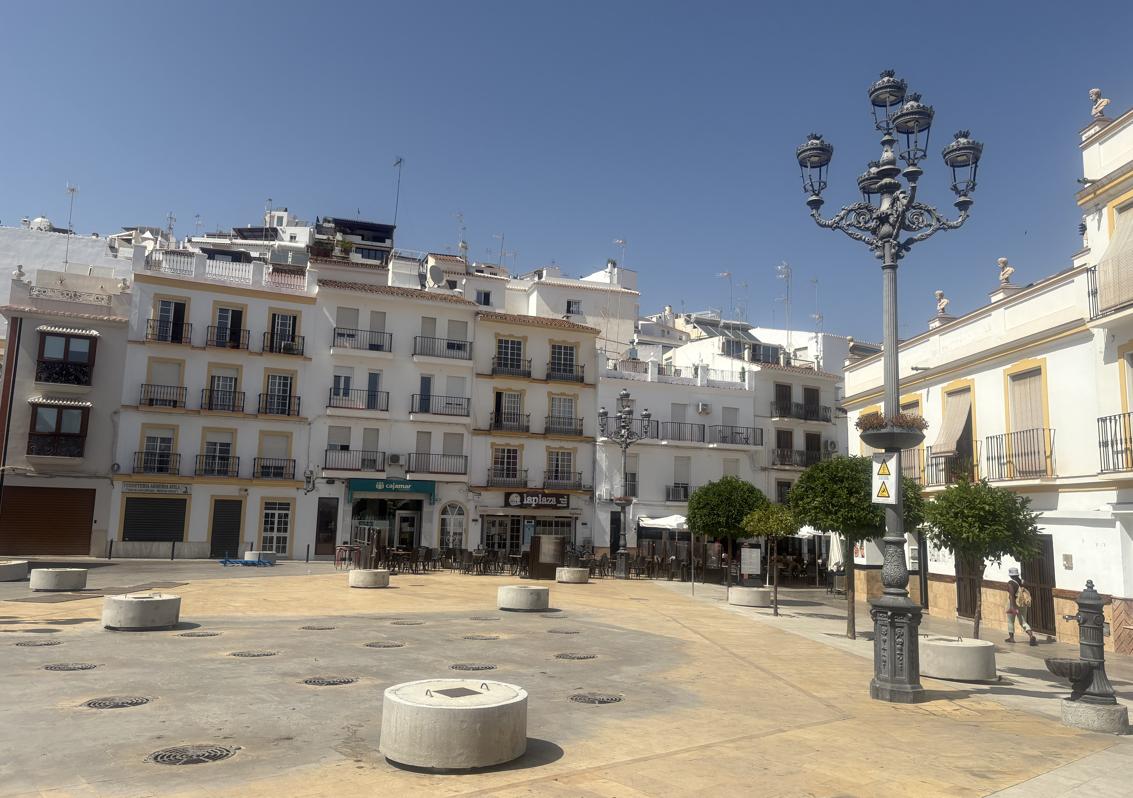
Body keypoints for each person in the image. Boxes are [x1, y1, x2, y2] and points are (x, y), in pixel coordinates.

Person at [1005, 567, 1038, 646]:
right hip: (1022, 604)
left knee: (1010, 620)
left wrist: (1012, 607)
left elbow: (1012, 595)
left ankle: (1011, 638)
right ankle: (1031, 635)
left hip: (1013, 604)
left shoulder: (1011, 583)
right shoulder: (1022, 581)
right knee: (1023, 621)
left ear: (1010, 575)